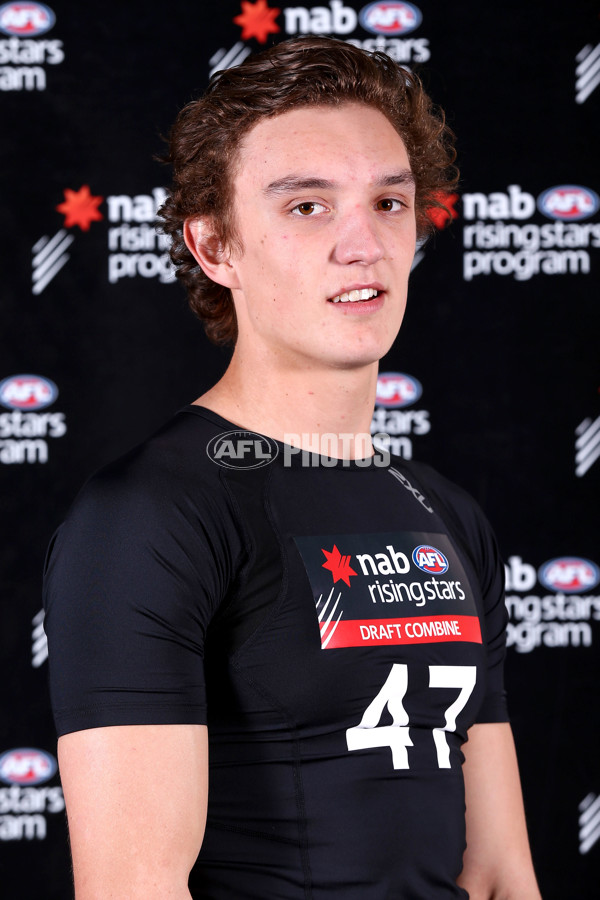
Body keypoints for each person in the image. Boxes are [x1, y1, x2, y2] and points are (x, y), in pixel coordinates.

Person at [44, 36, 542, 899]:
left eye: (389, 201)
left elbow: (499, 875)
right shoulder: (151, 514)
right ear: (215, 248)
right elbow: (134, 886)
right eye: (307, 207)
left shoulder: (446, 513)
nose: (364, 244)